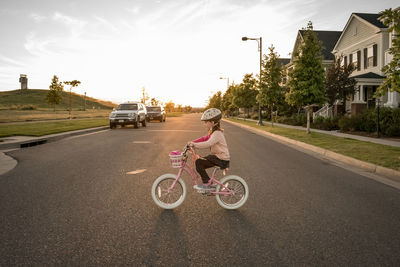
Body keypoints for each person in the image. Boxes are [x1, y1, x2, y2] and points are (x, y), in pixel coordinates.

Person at [189, 108, 230, 190]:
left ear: (213, 122)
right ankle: (208, 182)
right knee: (200, 162)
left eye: (206, 122)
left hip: (221, 159)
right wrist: (192, 142)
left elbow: (208, 143)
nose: (205, 124)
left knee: (199, 162)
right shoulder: (213, 133)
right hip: (218, 157)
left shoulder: (217, 133)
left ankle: (207, 183)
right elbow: (204, 138)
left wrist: (194, 145)